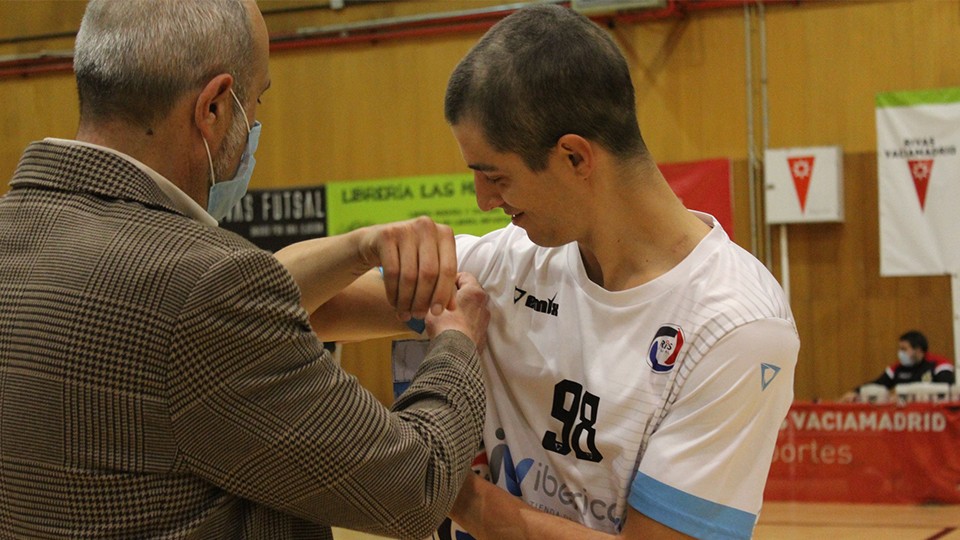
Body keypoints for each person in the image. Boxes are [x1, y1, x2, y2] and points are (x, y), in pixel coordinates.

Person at [0, 0, 490, 538]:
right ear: (212, 108)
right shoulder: (204, 283)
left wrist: (359, 249)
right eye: (255, 101)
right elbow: (414, 488)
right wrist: (456, 344)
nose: (255, 123)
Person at [312, 4, 799, 539]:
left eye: (494, 175)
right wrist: (358, 248)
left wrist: (437, 479)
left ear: (574, 157)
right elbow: (269, 312)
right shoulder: (504, 264)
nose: (482, 201)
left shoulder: (736, 326)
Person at [841, 330, 955, 402]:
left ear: (918, 350)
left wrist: (904, 393)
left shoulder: (939, 364)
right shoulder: (897, 368)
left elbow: (947, 389)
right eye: (900, 349)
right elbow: (879, 384)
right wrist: (856, 392)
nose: (900, 353)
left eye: (904, 349)